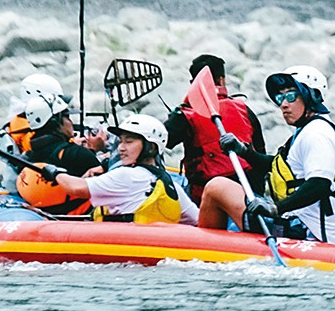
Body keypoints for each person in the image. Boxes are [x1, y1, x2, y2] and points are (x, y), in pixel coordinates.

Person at [204, 65, 335, 243]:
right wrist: (243, 151)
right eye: (280, 97)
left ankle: (203, 251)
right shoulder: (309, 130)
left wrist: (276, 209)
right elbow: (277, 166)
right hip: (304, 223)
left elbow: (320, 184)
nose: (283, 104)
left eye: (291, 96)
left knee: (216, 187)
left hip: (307, 230)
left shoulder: (317, 134)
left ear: (312, 96)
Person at [42, 114, 198, 224]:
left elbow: (76, 188)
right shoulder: (171, 184)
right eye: (121, 142)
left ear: (150, 147)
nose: (121, 148)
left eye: (129, 142)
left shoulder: (127, 175)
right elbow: (197, 220)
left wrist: (55, 172)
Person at [166, 54, 266, 204]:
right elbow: (260, 153)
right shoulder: (244, 109)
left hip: (208, 195)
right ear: (222, 80)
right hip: (250, 189)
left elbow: (160, 140)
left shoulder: (186, 115)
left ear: (193, 83)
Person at [14, 86, 109, 214]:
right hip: (81, 213)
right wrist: (96, 150)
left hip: (50, 213)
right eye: (67, 117)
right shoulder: (77, 154)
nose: (71, 122)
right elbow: (108, 184)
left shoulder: (31, 154)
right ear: (55, 121)